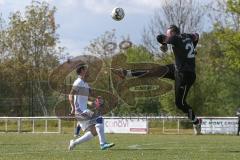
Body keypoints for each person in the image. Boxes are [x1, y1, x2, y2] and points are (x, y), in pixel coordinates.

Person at [112, 25, 202, 135]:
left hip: (185, 75)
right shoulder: (187, 36)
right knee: (154, 71)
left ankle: (197, 122)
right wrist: (194, 47)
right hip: (177, 69)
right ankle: (126, 73)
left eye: (168, 34)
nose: (167, 35)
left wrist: (164, 43)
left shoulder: (175, 38)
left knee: (180, 103)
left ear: (173, 33)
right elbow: (196, 36)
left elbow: (159, 37)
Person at [68, 64, 115, 150]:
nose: (88, 70)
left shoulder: (85, 84)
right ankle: (103, 144)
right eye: (86, 69)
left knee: (94, 132)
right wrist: (72, 107)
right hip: (80, 111)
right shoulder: (78, 82)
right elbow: (70, 95)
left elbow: (85, 100)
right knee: (99, 119)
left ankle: (74, 143)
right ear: (82, 70)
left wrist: (94, 103)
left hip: (83, 110)